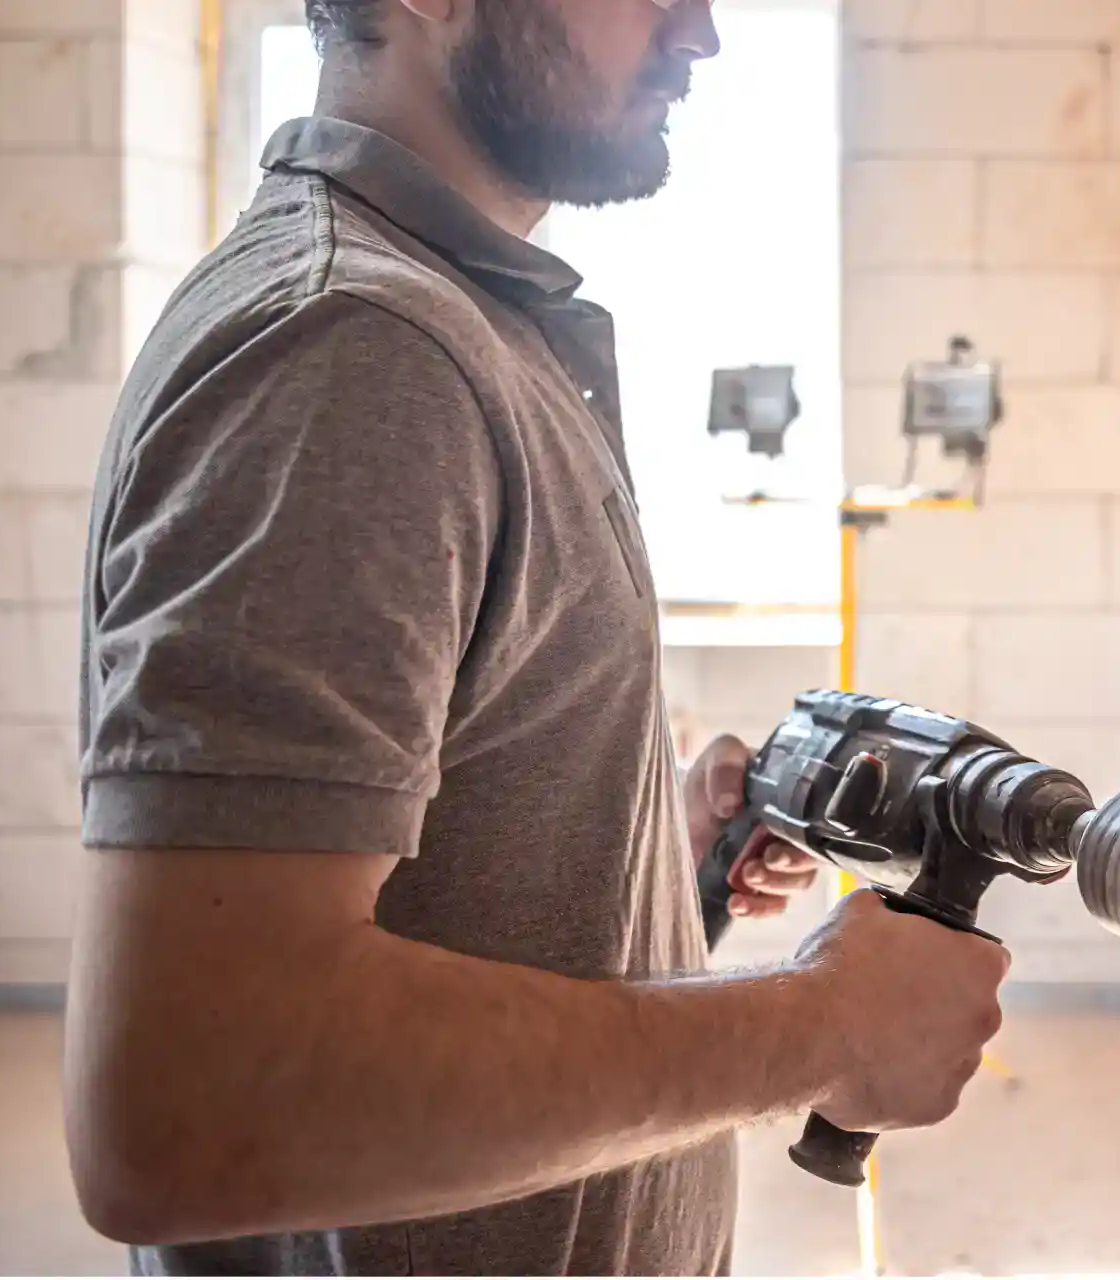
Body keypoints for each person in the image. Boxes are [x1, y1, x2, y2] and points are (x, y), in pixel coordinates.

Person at [61, 0, 1011, 1274]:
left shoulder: (456, 323)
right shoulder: (353, 349)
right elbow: (186, 1101)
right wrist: (821, 1029)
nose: (701, 35)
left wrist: (615, 875)